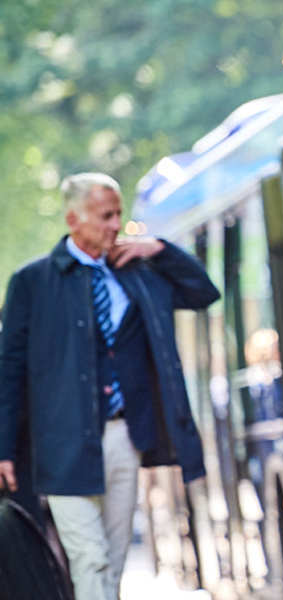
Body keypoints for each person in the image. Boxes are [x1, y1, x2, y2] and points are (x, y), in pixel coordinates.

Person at [0, 172, 219, 600]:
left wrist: (160, 249)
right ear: (73, 219)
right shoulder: (33, 282)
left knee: (113, 557)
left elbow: (202, 292)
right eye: (105, 216)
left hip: (125, 436)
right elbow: (8, 369)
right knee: (90, 557)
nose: (115, 225)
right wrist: (3, 448)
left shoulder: (138, 273)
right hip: (62, 444)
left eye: (118, 213)